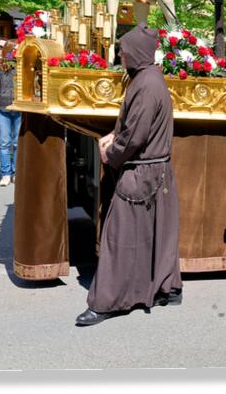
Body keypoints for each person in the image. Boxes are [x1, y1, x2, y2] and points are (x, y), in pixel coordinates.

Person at [76, 24, 180, 326]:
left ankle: (108, 301)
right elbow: (134, 125)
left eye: (123, 50)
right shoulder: (148, 79)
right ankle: (165, 288)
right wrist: (114, 134)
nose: (120, 55)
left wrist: (111, 153)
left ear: (137, 52)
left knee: (119, 237)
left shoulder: (146, 85)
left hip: (142, 173)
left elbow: (136, 135)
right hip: (154, 170)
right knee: (156, 234)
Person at [0, 41, 20, 187]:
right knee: (4, 143)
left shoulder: (24, 66)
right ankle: (6, 174)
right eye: (14, 49)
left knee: (17, 143)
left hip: (19, 110)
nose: (17, 52)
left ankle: (16, 173)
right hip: (2, 109)